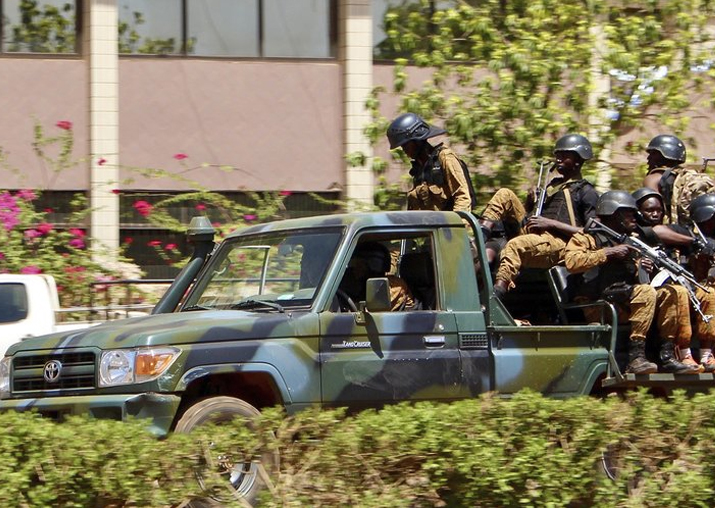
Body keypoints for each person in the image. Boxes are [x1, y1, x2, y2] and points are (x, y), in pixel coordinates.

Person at [564, 191, 701, 374]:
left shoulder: (631, 241)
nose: (634, 217)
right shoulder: (586, 238)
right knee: (645, 292)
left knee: (674, 292)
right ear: (614, 213)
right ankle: (635, 358)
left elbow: (634, 277)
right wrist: (608, 253)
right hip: (598, 304)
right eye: (628, 213)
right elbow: (572, 263)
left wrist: (642, 267)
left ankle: (666, 355)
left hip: (625, 298)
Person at [479, 134, 599, 298]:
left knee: (516, 245)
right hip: (535, 234)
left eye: (565, 155)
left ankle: (496, 295)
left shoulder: (586, 192)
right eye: (557, 154)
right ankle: (479, 236)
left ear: (578, 160)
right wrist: (529, 203)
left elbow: (591, 235)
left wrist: (550, 224)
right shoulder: (552, 187)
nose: (559, 159)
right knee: (504, 194)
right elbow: (533, 217)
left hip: (561, 243)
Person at [386, 113, 474, 213]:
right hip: (427, 226)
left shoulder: (445, 158)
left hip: (448, 226)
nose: (404, 150)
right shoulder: (419, 170)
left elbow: (462, 197)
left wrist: (457, 226)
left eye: (406, 145)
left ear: (418, 140)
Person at [642, 134, 715, 226]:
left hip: (673, 230)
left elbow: (652, 211)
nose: (648, 158)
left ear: (664, 155)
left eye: (653, 154)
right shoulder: (693, 175)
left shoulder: (653, 179)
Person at [683, 193, 715, 371]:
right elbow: (658, 231)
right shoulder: (686, 233)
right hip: (693, 290)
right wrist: (695, 244)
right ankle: (706, 354)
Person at [338, 242, 414, 312]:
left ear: (373, 265)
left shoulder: (393, 286)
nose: (354, 268)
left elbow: (369, 313)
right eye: (353, 263)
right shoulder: (360, 282)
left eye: (359, 265)